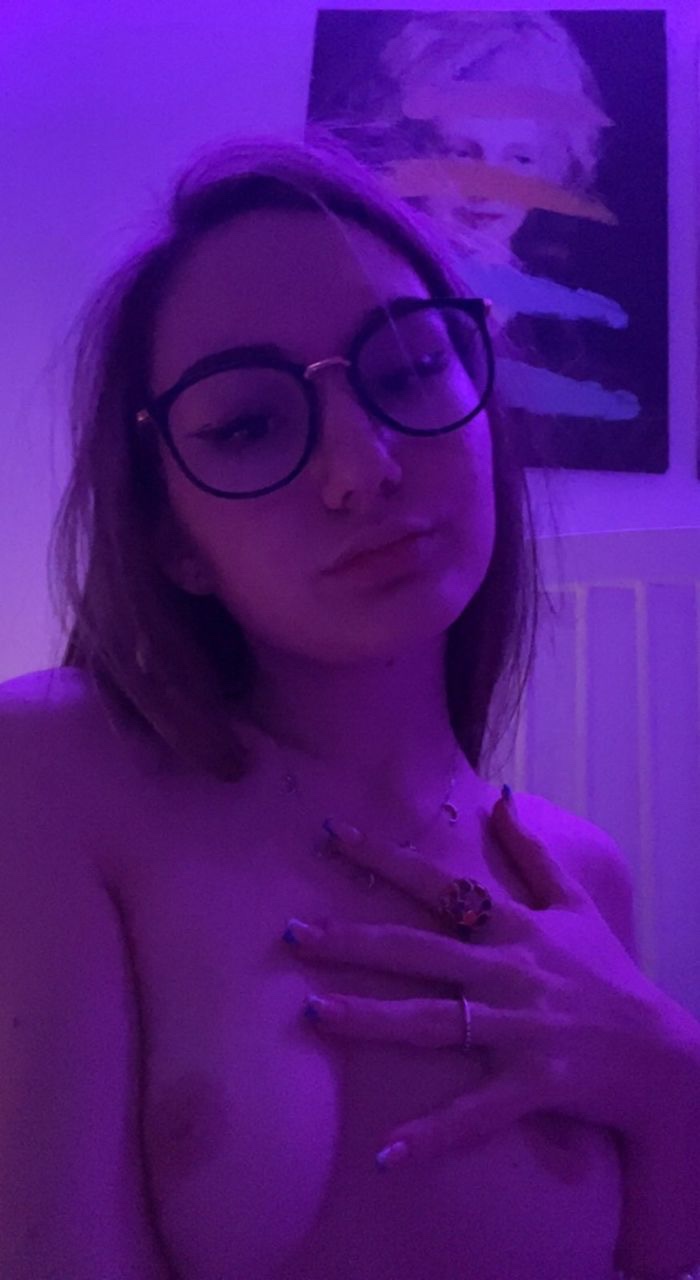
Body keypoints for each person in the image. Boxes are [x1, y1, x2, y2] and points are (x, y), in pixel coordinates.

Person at [1, 131, 698, 1280]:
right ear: (170, 535)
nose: (363, 467)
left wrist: (670, 1072)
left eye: (411, 366)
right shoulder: (54, 775)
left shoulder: (577, 875)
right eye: (248, 423)